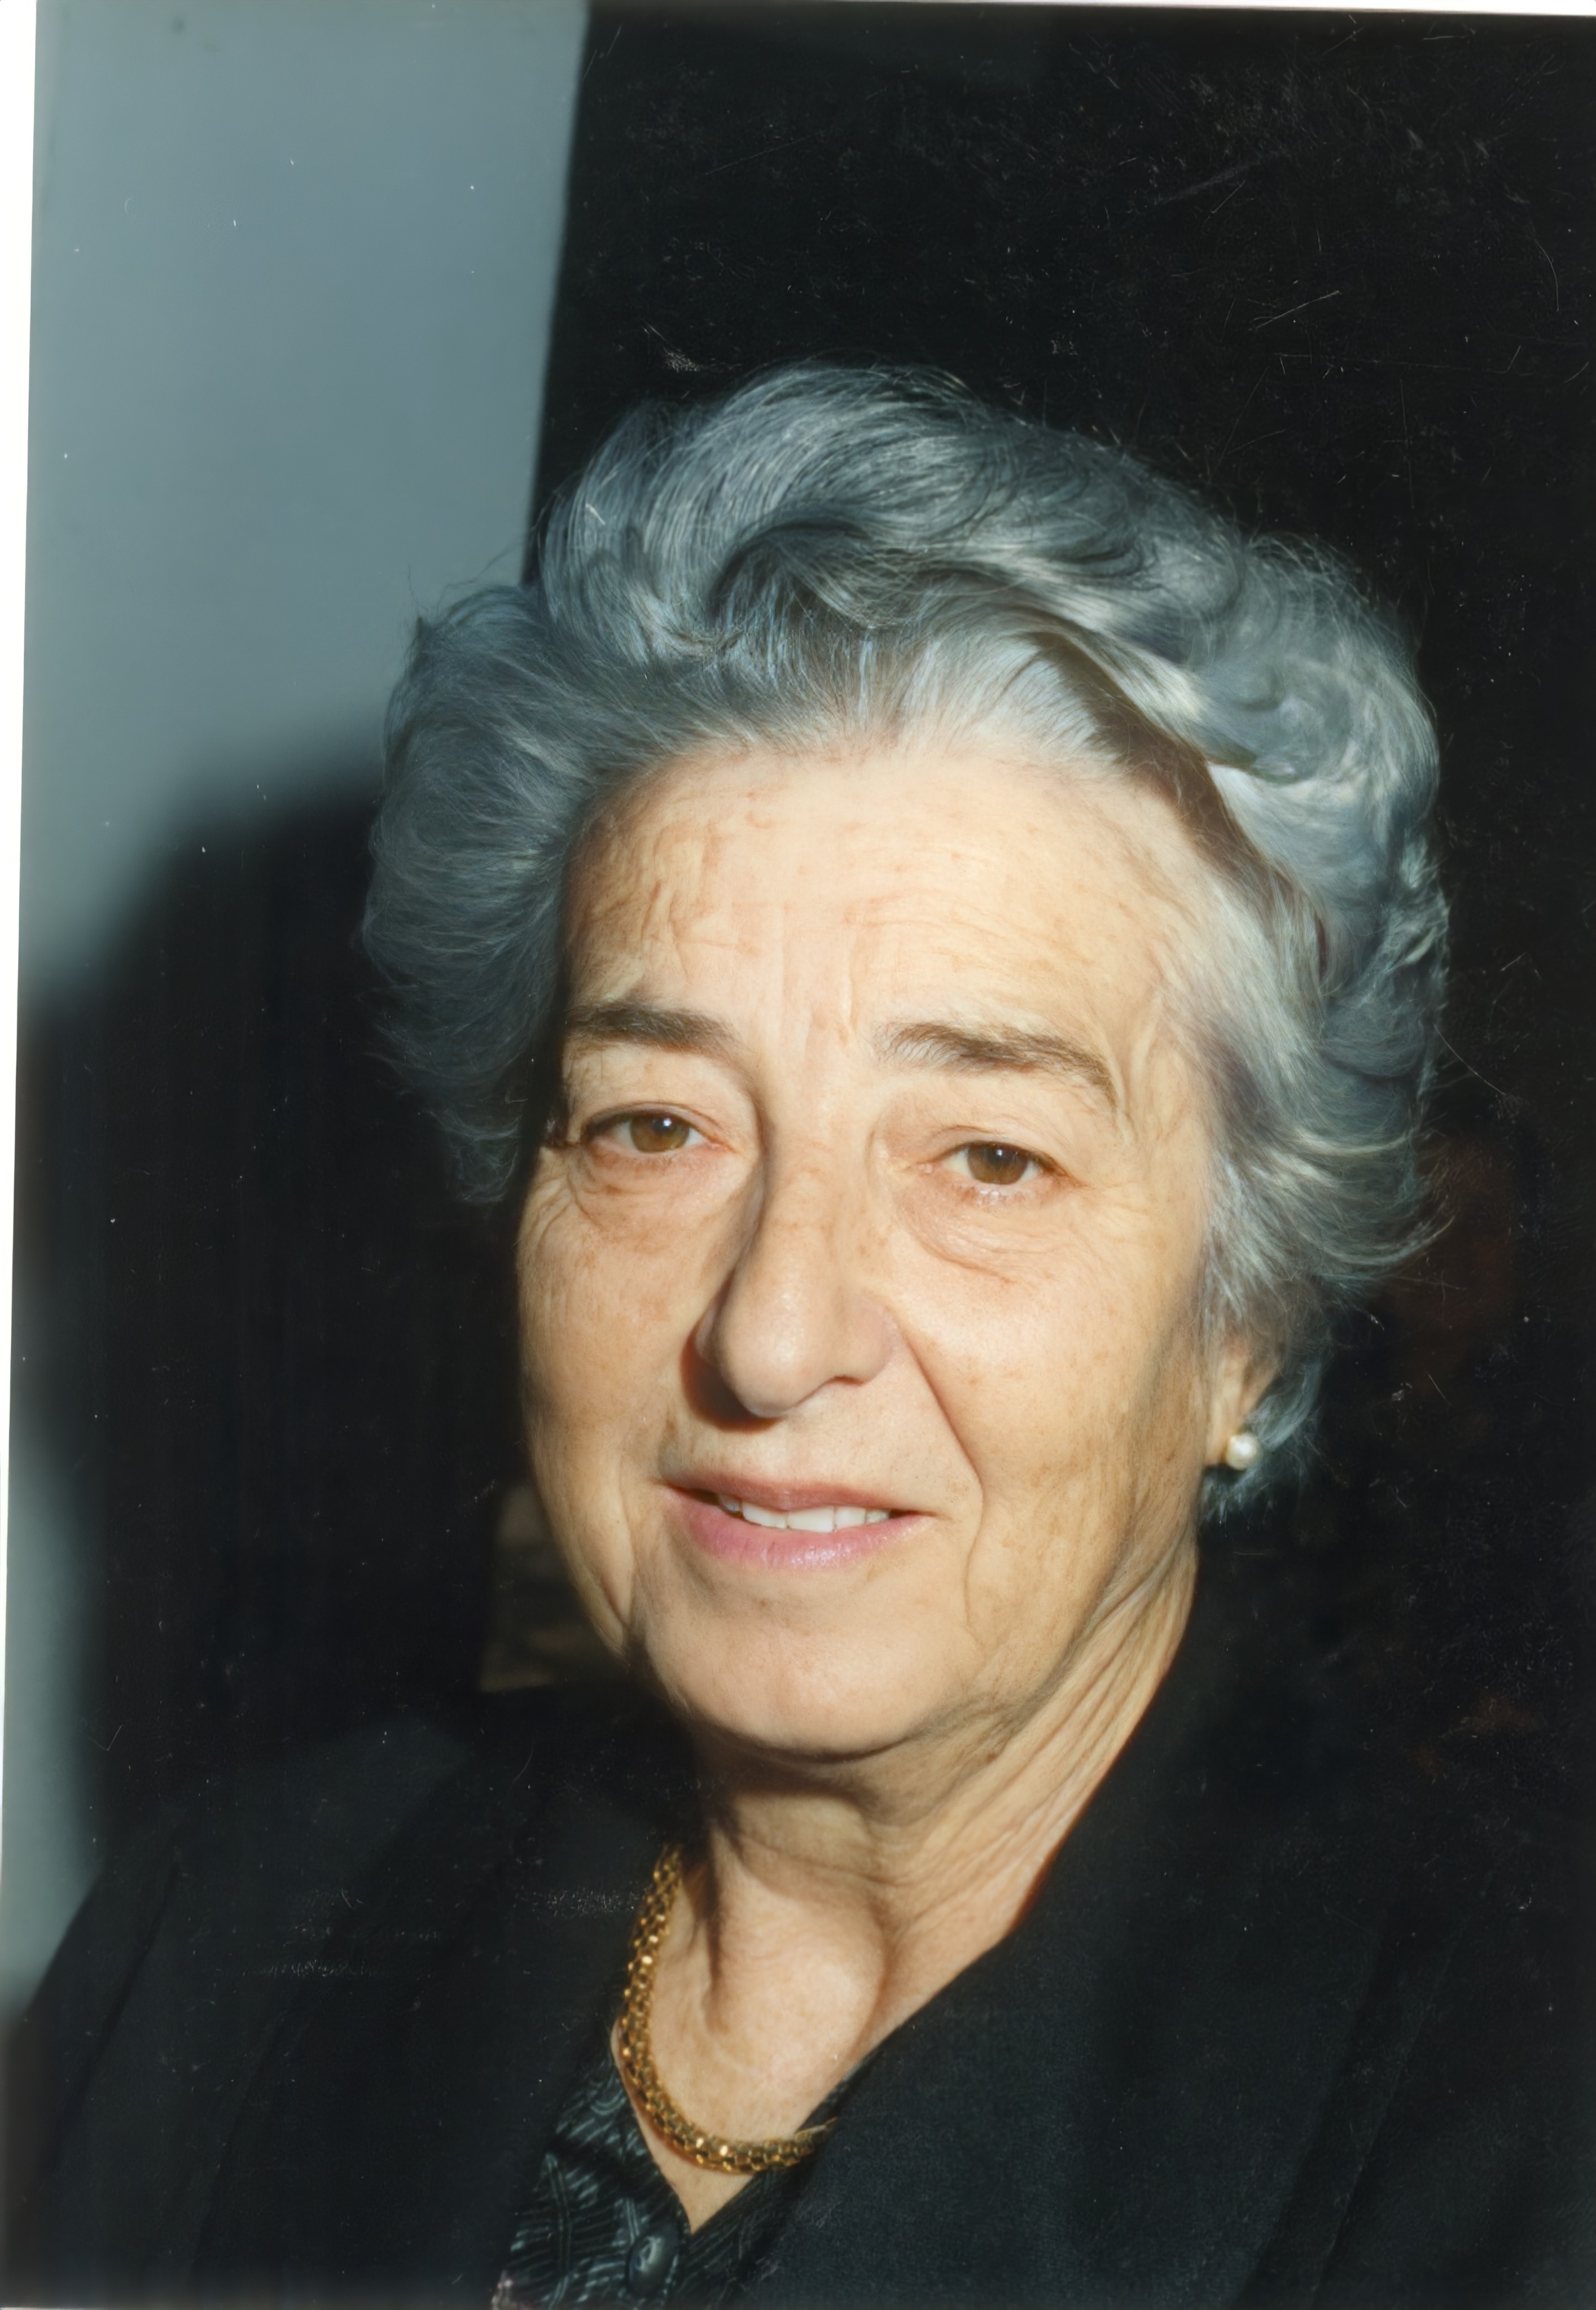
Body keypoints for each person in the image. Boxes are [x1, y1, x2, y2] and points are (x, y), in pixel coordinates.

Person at [7, 365, 1589, 2307]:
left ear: (1247, 1325)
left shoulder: (1511, 2158)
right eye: (656, 1126)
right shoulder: (217, 1940)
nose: (768, 1335)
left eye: (986, 1158)